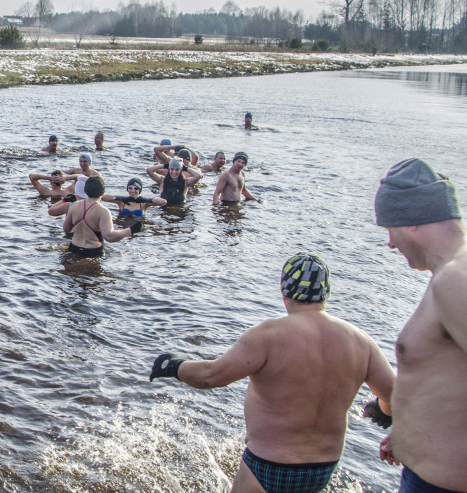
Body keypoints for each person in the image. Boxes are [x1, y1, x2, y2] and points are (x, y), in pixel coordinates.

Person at [149, 252, 395, 493]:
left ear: (284, 292)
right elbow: (396, 394)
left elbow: (211, 376)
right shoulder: (361, 342)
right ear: (325, 292)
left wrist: (173, 366)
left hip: (269, 465)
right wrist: (384, 409)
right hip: (322, 468)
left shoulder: (268, 336)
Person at [373, 159, 467, 492]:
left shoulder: (456, 280)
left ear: (412, 221)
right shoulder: (450, 273)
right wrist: (409, 429)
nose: (390, 243)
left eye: (389, 228)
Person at [61, 176, 132, 256]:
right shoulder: (103, 211)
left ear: (85, 190)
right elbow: (109, 236)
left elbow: (66, 229)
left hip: (74, 247)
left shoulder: (74, 205)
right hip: (92, 251)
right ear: (102, 192)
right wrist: (130, 230)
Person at [102, 177, 167, 234]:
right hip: (122, 227)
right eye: (130, 188)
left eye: (136, 188)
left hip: (138, 229)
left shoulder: (144, 203)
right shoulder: (122, 202)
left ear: (139, 190)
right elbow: (103, 197)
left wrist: (147, 199)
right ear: (127, 189)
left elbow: (163, 202)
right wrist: (121, 198)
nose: (133, 190)